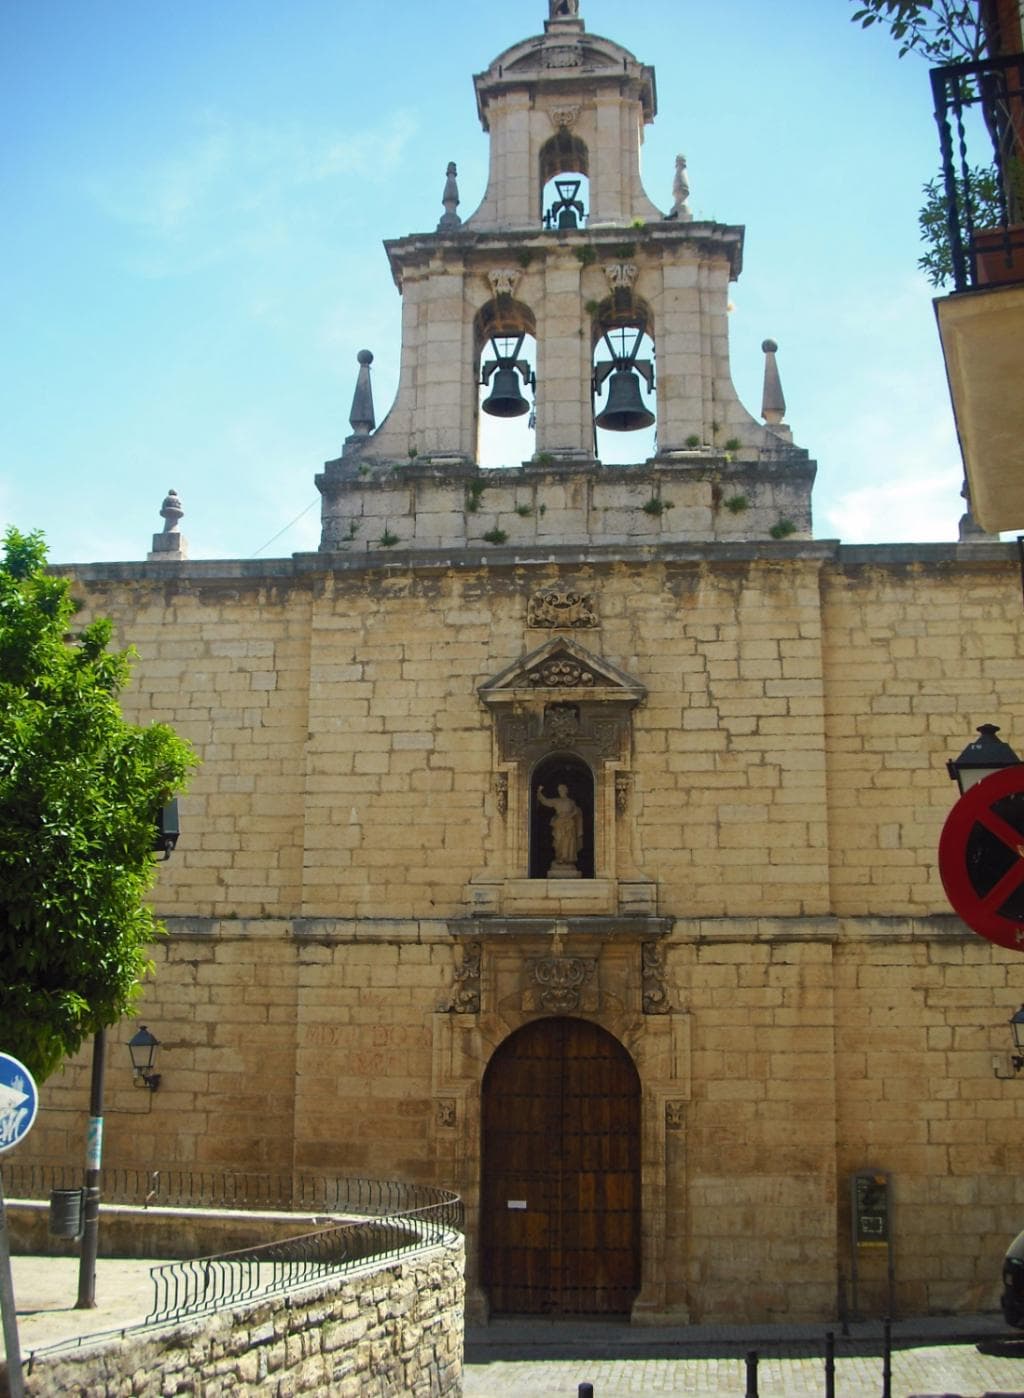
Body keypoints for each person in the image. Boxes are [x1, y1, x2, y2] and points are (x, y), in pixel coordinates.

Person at [537, 784, 583, 867]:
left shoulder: (571, 802)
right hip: (559, 823)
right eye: (559, 790)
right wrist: (539, 792)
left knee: (568, 840)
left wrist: (571, 815)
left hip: (569, 823)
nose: (561, 792)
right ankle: (560, 857)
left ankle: (567, 858)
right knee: (558, 841)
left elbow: (577, 812)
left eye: (562, 790)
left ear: (566, 791)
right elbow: (545, 801)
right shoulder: (556, 801)